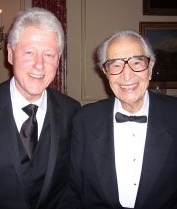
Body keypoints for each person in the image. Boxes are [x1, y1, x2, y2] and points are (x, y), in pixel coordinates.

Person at [0, 7, 80, 209]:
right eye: (29, 52)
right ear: (11, 54)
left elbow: (72, 184)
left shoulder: (72, 112)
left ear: (58, 61)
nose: (39, 65)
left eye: (49, 54)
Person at [58, 30, 177, 209]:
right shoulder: (85, 120)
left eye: (137, 62)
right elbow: (73, 189)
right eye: (115, 65)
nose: (126, 75)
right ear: (106, 73)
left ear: (150, 68)